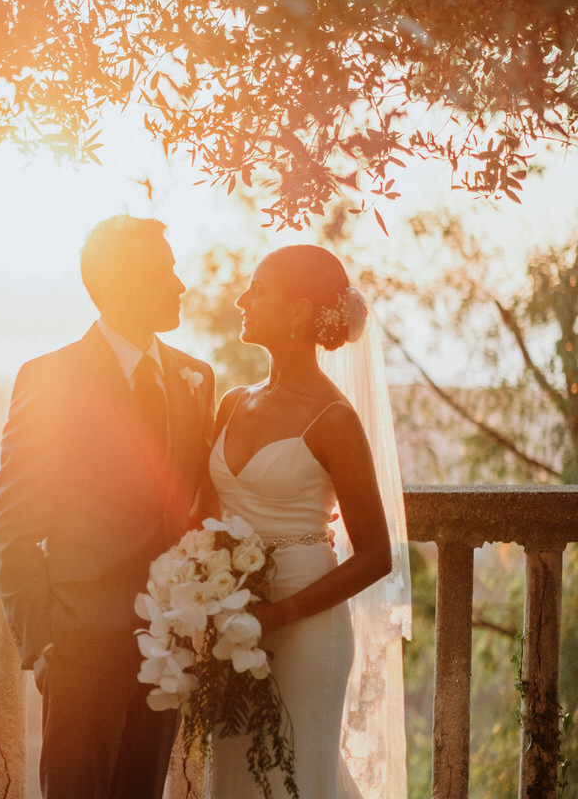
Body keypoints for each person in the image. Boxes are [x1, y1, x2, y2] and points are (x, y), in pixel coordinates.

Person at [0, 215, 216, 799]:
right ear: (116, 287)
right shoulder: (52, 378)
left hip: (165, 648)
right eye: (163, 273)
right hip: (79, 651)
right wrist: (47, 646)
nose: (179, 285)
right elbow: (12, 527)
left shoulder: (196, 377)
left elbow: (197, 507)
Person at [207, 244, 409, 798]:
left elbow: (375, 554)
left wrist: (279, 614)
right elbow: (201, 514)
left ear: (298, 311)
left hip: (307, 628)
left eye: (259, 291)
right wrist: (203, 594)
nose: (242, 299)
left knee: (297, 776)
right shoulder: (231, 403)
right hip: (235, 622)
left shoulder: (334, 419)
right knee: (234, 777)